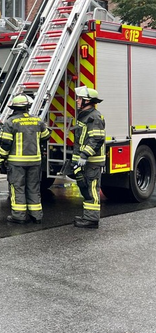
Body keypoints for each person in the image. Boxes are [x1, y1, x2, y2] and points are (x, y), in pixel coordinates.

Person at [0, 95, 50, 225]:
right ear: (27, 107)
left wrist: (0, 158)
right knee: (33, 188)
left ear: (13, 108)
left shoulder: (11, 122)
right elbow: (46, 136)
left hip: (17, 163)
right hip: (35, 162)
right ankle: (36, 216)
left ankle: (19, 216)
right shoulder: (37, 121)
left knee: (18, 188)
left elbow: (6, 143)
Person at [72, 86, 106, 229]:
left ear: (87, 101)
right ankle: (88, 216)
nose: (77, 101)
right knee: (85, 187)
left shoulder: (94, 117)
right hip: (87, 161)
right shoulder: (85, 115)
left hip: (92, 161)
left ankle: (92, 220)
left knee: (92, 188)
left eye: (80, 98)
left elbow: (96, 139)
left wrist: (85, 155)